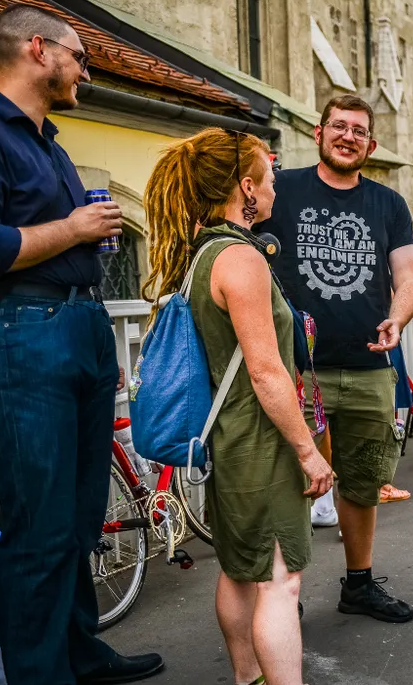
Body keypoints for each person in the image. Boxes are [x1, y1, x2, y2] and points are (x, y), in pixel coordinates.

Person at [0, 3, 162, 685]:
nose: (86, 70)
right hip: (17, 337)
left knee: (82, 514)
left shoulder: (48, 144)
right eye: (80, 58)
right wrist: (74, 230)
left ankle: (81, 654)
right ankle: (40, 674)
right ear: (38, 50)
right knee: (39, 525)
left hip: (76, 330)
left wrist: (81, 235)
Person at [142, 128, 334, 685]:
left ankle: (247, 678)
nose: (276, 184)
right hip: (259, 437)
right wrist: (307, 450)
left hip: (228, 438)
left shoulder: (201, 253)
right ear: (246, 188)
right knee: (280, 580)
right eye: (269, 176)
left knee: (237, 568)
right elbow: (267, 370)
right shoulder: (241, 259)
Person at [256, 94, 413, 623]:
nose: (348, 136)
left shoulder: (388, 204)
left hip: (371, 366)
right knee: (288, 480)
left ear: (370, 145)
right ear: (319, 131)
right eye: (339, 127)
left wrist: (398, 315)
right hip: (296, 370)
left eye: (359, 131)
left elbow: (408, 277)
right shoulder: (283, 193)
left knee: (363, 480)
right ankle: (283, 592)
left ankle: (359, 584)